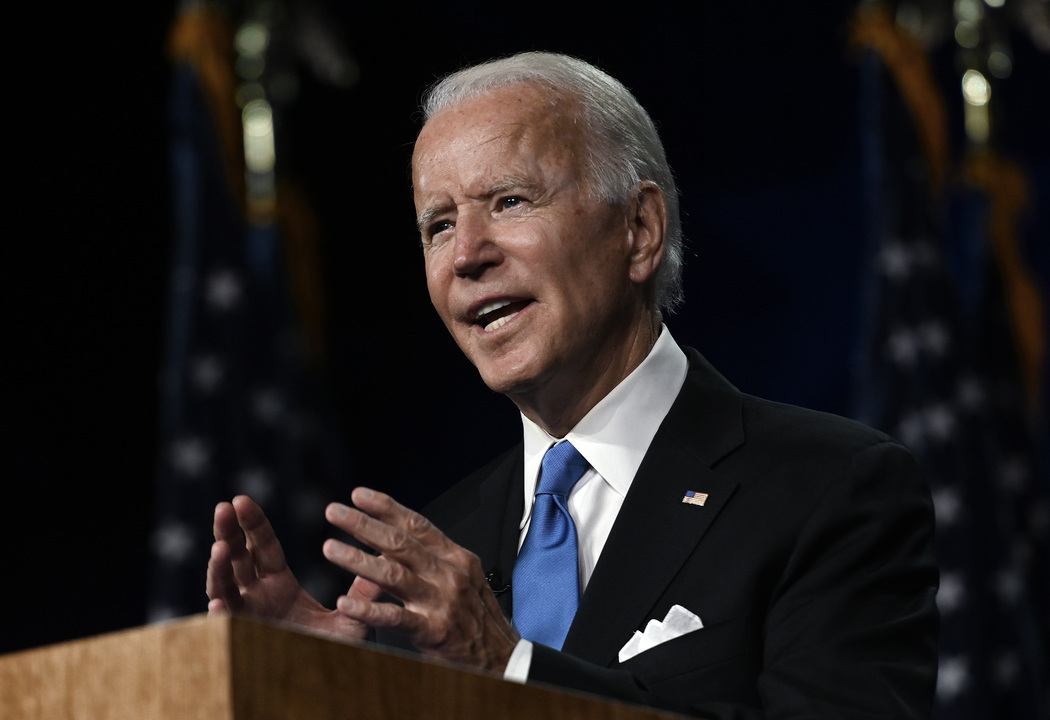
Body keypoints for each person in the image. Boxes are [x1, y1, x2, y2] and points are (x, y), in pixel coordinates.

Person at [206, 51, 939, 718]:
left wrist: (510, 669)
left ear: (640, 230)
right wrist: (324, 687)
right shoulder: (435, 554)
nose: (466, 255)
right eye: (437, 224)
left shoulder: (827, 490)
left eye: (510, 202)